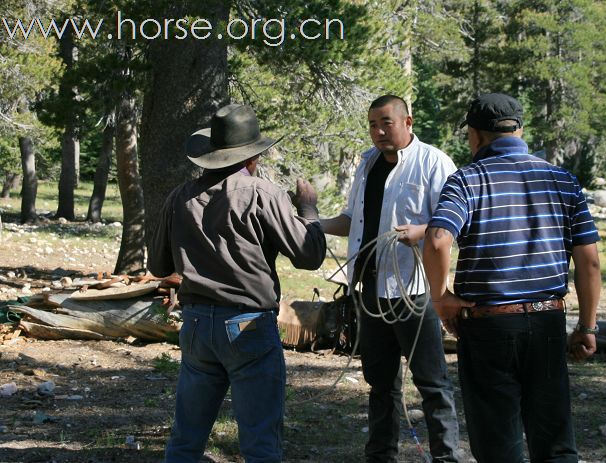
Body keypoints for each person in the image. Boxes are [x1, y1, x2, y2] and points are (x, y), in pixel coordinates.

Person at [422, 93, 601, 463]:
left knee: (498, 445)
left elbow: (438, 239)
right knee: (555, 443)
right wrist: (587, 325)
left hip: (490, 327)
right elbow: (590, 261)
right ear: (519, 129)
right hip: (547, 320)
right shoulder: (563, 180)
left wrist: (441, 299)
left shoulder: (467, 180)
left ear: (475, 135)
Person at [148, 103, 326, 463]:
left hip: (197, 324)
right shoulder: (263, 194)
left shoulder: (179, 197)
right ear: (252, 157)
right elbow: (309, 256)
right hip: (247, 326)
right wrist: (308, 210)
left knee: (185, 439)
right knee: (260, 442)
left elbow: (158, 265)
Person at [320, 95, 462, 462]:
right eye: (372, 124)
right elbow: (352, 220)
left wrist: (423, 231)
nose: (378, 132)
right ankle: (380, 456)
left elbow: (458, 224)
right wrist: (311, 225)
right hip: (369, 290)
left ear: (408, 121)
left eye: (386, 122)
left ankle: (446, 457)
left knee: (432, 383)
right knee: (380, 384)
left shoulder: (435, 163)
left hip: (413, 291)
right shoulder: (366, 164)